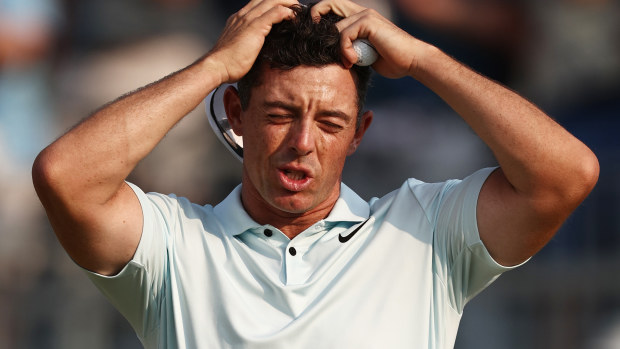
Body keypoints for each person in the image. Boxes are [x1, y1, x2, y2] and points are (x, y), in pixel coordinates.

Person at [32, 0, 599, 348]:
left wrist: (423, 58)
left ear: (359, 133)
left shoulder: (425, 230)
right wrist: (214, 65)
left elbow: (565, 173)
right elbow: (65, 177)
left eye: (330, 122)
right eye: (279, 115)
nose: (302, 143)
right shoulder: (175, 243)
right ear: (235, 113)